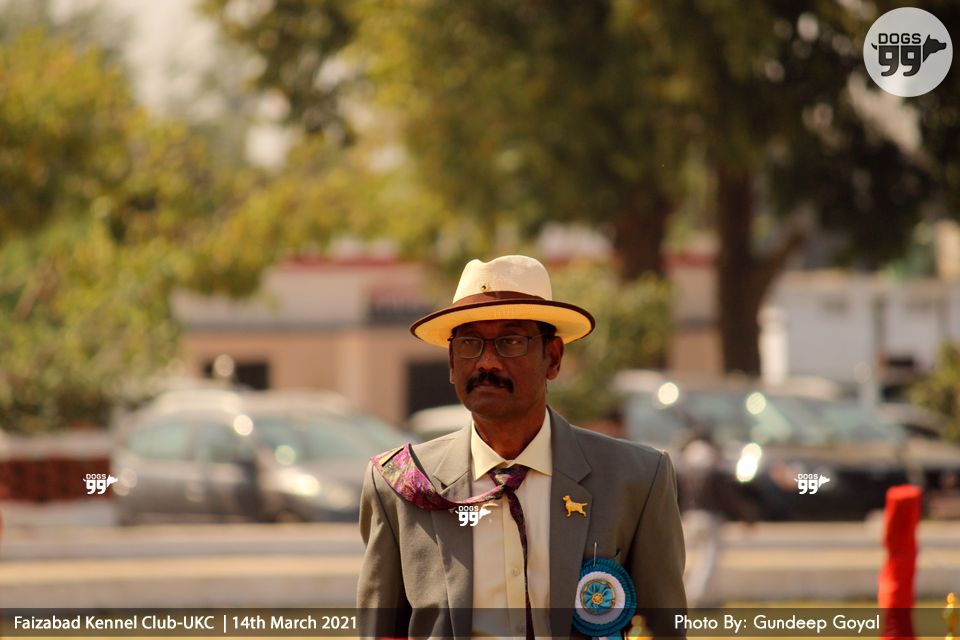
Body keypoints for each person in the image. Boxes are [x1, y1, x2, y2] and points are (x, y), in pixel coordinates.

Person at [357, 255, 686, 639]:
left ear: (553, 358)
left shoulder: (636, 479)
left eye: (511, 341)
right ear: (451, 362)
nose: (487, 362)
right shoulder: (402, 486)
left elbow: (665, 630)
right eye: (469, 343)